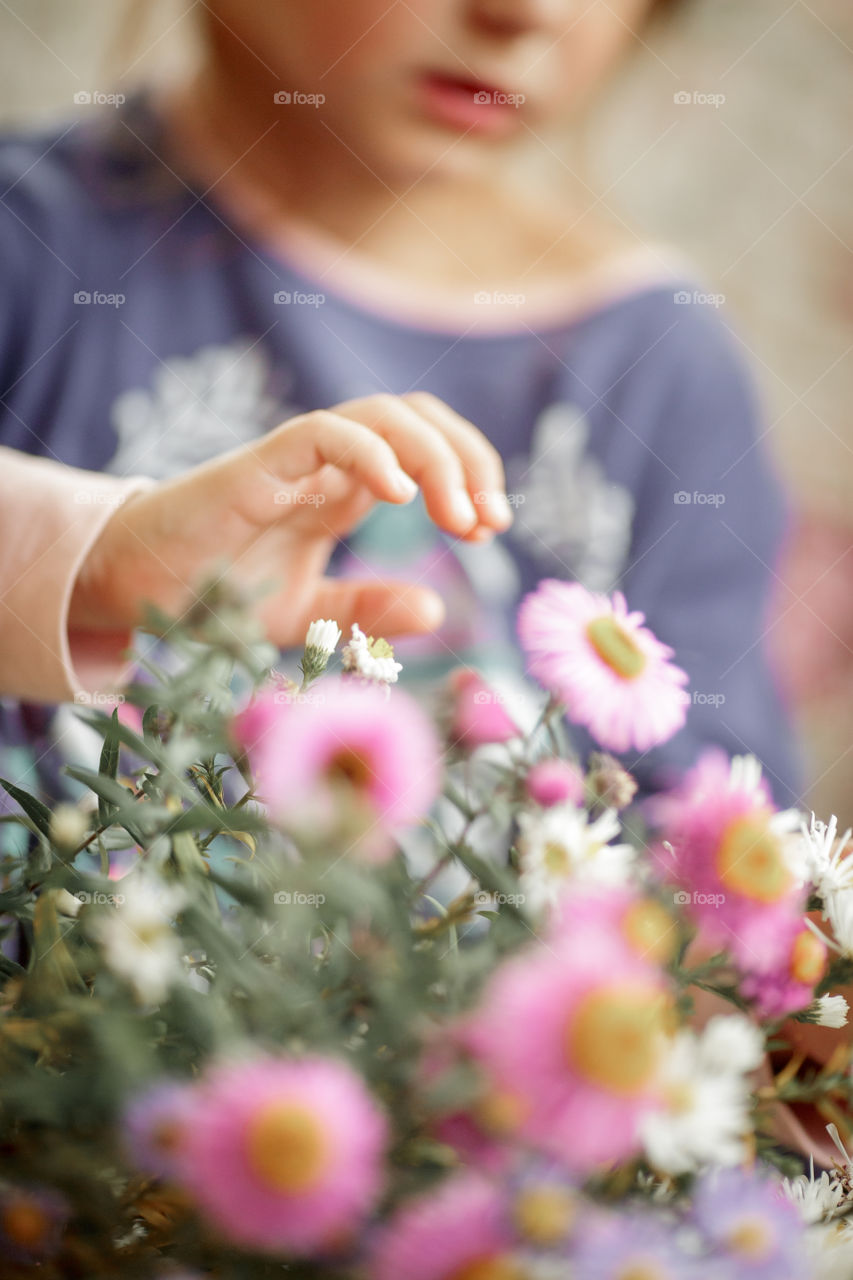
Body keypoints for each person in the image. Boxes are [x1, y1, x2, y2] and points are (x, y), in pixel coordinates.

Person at [0, 0, 801, 804]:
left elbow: (715, 840)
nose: (527, 13)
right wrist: (97, 561)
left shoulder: (662, 372)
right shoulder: (27, 243)